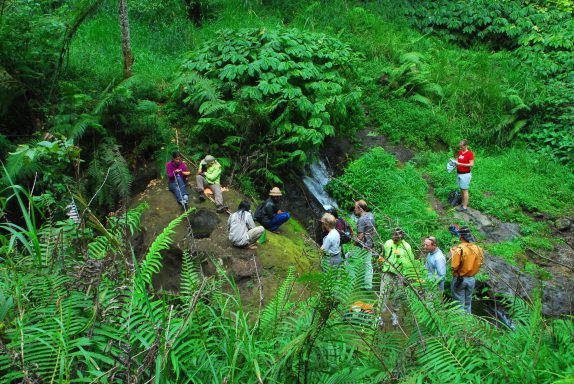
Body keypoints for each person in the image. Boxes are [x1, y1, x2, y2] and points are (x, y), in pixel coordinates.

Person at [380, 228, 415, 325]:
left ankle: (394, 315)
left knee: (397, 295)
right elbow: (383, 254)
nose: (394, 237)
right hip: (387, 272)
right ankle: (379, 316)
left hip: (399, 275)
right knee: (383, 294)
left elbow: (410, 262)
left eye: (397, 236)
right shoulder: (387, 243)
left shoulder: (407, 247)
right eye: (393, 235)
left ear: (402, 236)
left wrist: (406, 276)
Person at [449, 225, 484, 313]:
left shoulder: (458, 250)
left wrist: (453, 255)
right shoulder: (479, 249)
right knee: (468, 303)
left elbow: (454, 266)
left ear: (461, 236)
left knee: (459, 305)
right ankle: (469, 323)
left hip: (459, 279)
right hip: (471, 279)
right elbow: (480, 263)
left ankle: (461, 325)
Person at [353, 200, 376, 290]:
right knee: (367, 264)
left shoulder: (361, 219)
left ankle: (352, 283)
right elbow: (373, 231)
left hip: (362, 246)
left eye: (355, 208)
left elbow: (360, 235)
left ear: (360, 208)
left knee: (349, 259)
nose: (354, 210)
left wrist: (354, 245)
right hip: (370, 244)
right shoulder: (371, 215)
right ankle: (367, 286)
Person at [452, 139, 474, 212]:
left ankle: (464, 207)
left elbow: (471, 164)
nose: (460, 148)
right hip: (459, 173)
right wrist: (454, 163)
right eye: (460, 146)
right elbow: (459, 161)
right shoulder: (460, 152)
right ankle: (462, 203)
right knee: (461, 189)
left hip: (465, 174)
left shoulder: (469, 154)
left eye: (461, 146)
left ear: (466, 145)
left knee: (465, 190)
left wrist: (461, 164)